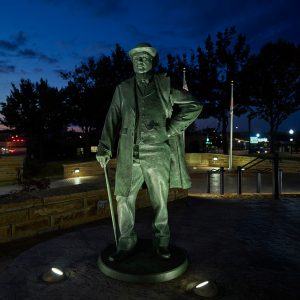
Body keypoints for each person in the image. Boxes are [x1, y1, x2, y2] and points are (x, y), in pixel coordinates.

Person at [96, 43, 202, 262]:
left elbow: (194, 105)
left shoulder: (164, 86)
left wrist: (171, 129)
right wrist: (104, 146)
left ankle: (161, 241)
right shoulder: (122, 88)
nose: (140, 61)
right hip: (129, 154)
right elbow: (112, 118)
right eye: (136, 59)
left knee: (160, 201)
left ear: (152, 61)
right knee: (124, 197)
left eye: (145, 58)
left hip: (158, 152)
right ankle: (126, 241)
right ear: (132, 62)